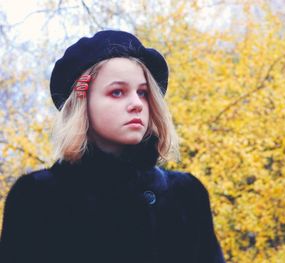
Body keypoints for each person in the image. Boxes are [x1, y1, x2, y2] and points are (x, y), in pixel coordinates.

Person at [0, 30, 226, 263]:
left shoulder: (185, 194)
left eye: (143, 93)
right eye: (117, 92)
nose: (137, 104)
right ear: (82, 103)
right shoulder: (38, 197)